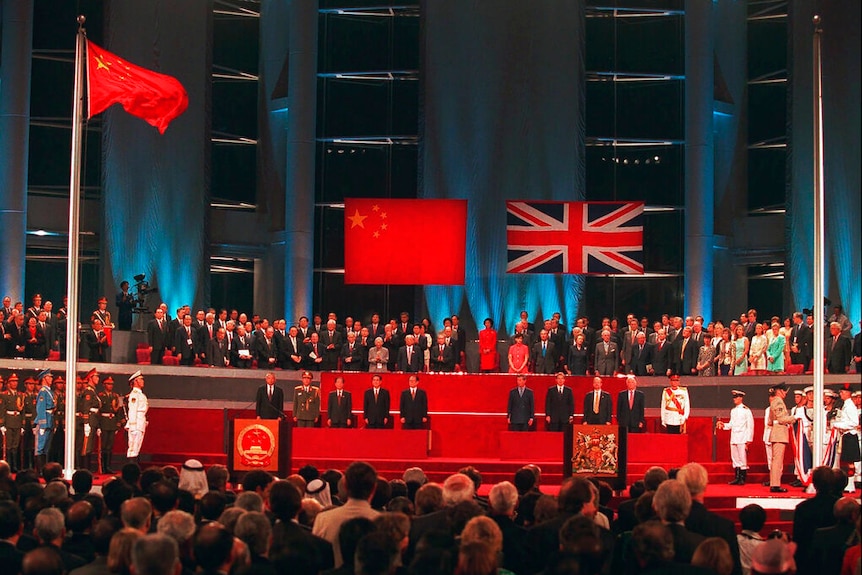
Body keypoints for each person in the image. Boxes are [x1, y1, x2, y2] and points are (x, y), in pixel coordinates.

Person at [716, 390, 754, 485]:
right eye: (734, 397)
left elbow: (750, 425)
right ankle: (737, 477)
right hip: (734, 437)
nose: (734, 399)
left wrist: (749, 439)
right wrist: (723, 425)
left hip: (742, 437)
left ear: (741, 398)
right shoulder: (733, 411)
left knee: (742, 458)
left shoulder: (746, 410)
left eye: (736, 397)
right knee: (735, 458)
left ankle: (742, 478)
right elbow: (732, 424)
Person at [766, 382, 796, 492]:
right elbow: (781, 419)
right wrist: (795, 417)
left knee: (776, 460)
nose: (785, 394)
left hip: (775, 432)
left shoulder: (773, 402)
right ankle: (775, 485)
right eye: (784, 391)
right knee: (777, 461)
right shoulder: (778, 402)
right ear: (779, 391)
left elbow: (770, 421)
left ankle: (774, 483)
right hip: (779, 433)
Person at [98, 376, 121, 473]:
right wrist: (98, 426)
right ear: (104, 385)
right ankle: (103, 467)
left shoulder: (115, 396)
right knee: (103, 446)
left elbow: (117, 410)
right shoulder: (100, 395)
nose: (110, 386)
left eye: (111, 384)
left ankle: (108, 466)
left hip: (112, 422)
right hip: (104, 421)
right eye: (108, 384)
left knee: (110, 446)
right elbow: (98, 411)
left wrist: (117, 423)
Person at [34, 368, 55, 473]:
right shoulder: (43, 392)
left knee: (46, 447)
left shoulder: (49, 391)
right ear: (44, 378)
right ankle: (40, 470)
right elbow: (40, 408)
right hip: (45, 420)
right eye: (49, 377)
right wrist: (42, 424)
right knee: (41, 447)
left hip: (50, 419)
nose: (51, 379)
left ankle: (44, 469)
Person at [126, 370, 149, 463]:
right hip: (135, 424)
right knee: (133, 447)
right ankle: (131, 467)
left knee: (137, 446)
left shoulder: (141, 394)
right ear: (135, 381)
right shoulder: (134, 394)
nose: (142, 381)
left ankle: (134, 466)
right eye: (140, 379)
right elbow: (132, 410)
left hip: (140, 422)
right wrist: (132, 425)